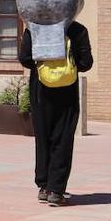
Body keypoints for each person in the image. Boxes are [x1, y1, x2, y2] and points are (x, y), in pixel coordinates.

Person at [20, 22, 93, 206]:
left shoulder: (33, 28)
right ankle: (56, 190)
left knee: (43, 137)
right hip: (66, 90)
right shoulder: (77, 30)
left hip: (41, 89)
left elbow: (25, 59)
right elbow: (85, 64)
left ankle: (44, 187)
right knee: (63, 138)